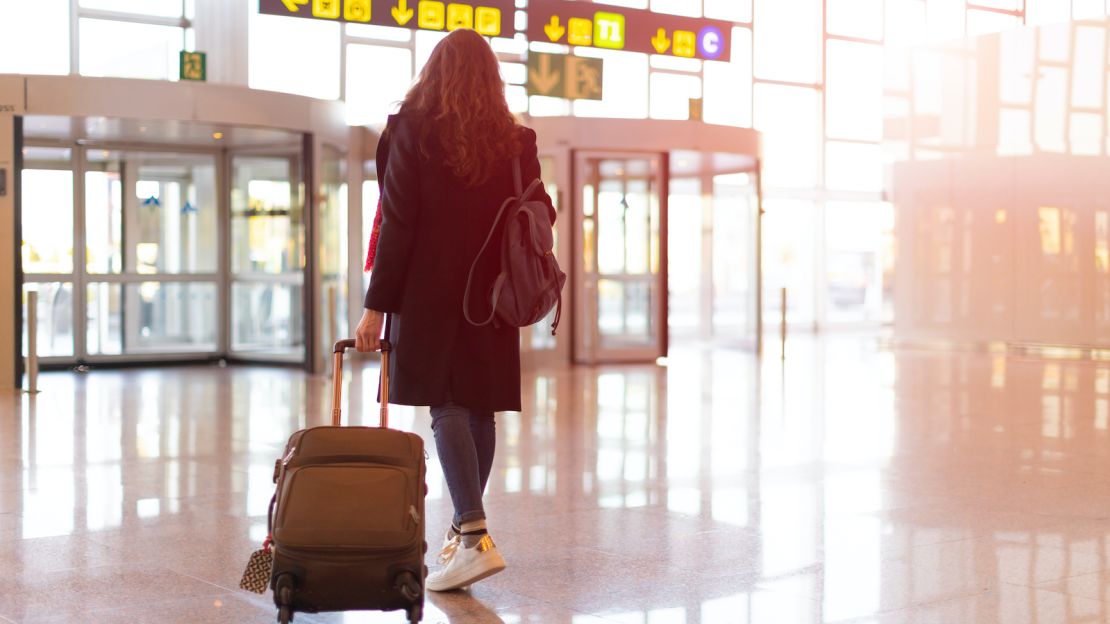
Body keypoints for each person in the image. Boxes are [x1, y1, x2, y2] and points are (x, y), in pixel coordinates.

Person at [354, 28, 556, 592]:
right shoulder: (517, 140)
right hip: (493, 292)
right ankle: (464, 534)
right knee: (479, 409)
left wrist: (376, 308)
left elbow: (399, 223)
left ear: (434, 72)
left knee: (446, 406)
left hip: (429, 292)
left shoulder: (410, 130)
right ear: (492, 80)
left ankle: (472, 536)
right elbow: (541, 210)